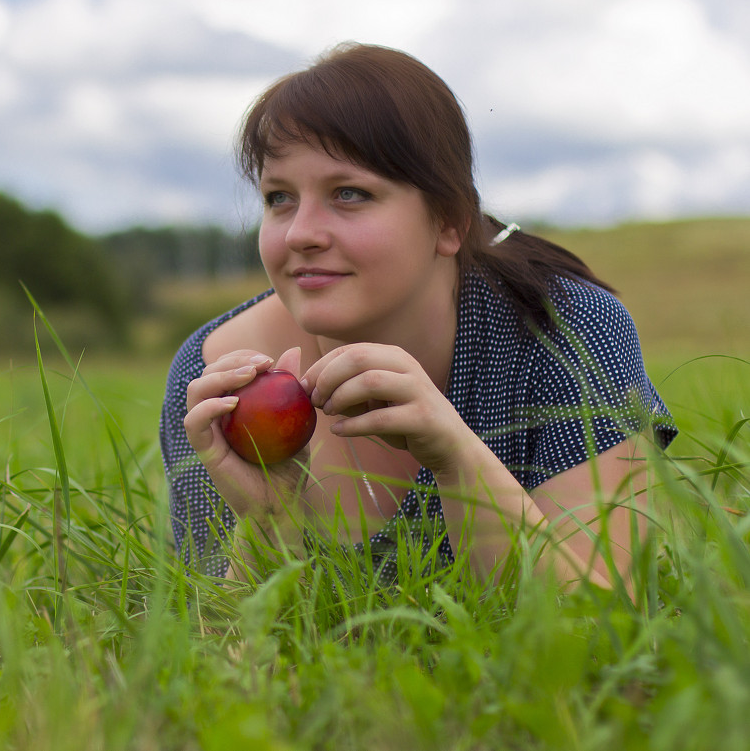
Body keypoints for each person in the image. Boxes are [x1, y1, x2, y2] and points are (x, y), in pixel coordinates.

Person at [160, 43, 676, 590]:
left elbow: (602, 628)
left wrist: (455, 459)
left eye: (350, 193)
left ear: (449, 221)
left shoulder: (563, 331)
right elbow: (217, 658)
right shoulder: (214, 378)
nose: (300, 233)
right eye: (279, 198)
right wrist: (267, 522)